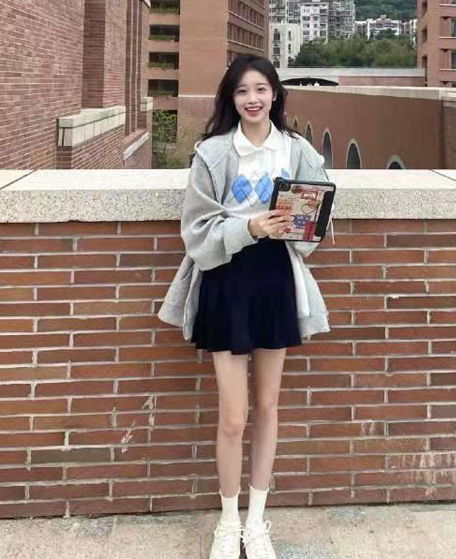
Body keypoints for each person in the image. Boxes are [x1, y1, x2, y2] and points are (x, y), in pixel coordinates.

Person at [157, 54, 332, 559]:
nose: (252, 99)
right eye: (241, 91)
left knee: (269, 407)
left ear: (275, 94)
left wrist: (301, 223)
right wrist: (250, 226)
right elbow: (195, 229)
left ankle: (257, 522)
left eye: (260, 89)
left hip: (276, 280)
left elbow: (319, 221)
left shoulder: (296, 150)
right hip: (225, 279)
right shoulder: (213, 153)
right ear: (230, 99)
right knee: (233, 416)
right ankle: (228, 520)